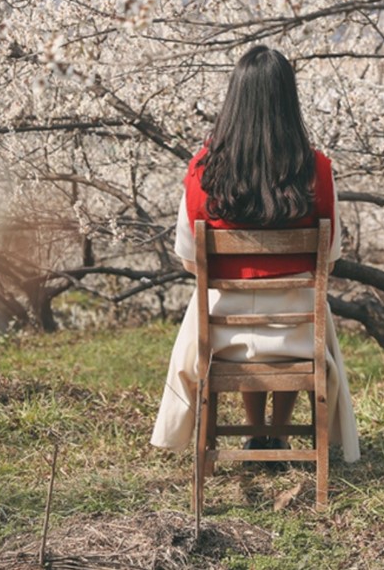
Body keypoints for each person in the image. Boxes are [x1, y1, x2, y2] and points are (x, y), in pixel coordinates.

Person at [150, 45, 360, 465]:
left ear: (235, 99)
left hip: (222, 335)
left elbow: (191, 261)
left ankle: (258, 434)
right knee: (290, 313)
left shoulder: (202, 171)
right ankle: (277, 435)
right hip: (298, 332)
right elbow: (330, 258)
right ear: (288, 100)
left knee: (228, 309)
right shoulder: (316, 169)